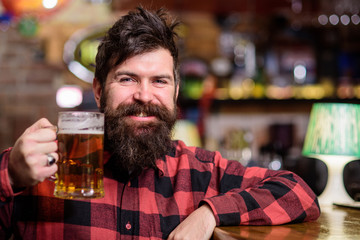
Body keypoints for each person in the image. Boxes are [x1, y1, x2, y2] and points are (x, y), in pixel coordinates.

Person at [0, 7, 320, 240]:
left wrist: (209, 213)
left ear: (176, 92)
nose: (144, 95)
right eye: (127, 79)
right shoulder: (40, 168)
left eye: (159, 81)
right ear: (99, 91)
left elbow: (297, 192)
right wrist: (10, 175)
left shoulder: (200, 171)